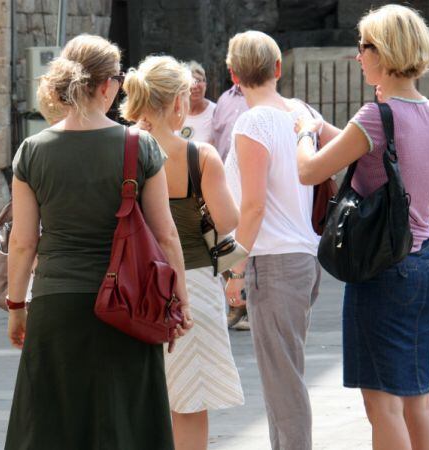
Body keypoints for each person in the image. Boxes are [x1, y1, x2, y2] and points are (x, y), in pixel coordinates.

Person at [4, 34, 192, 450]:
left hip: (57, 301)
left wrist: (17, 307)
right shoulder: (140, 147)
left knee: (55, 427)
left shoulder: (32, 151)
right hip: (127, 302)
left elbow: (22, 242)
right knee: (124, 423)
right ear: (109, 85)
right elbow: (166, 235)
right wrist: (178, 298)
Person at [295, 5, 429, 449]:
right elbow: (382, 152)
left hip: (382, 270)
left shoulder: (375, 116)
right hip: (422, 265)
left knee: (382, 406)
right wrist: (328, 128)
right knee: (418, 401)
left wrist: (306, 132)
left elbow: (309, 172)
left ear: (382, 51)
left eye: (362, 48)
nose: (358, 57)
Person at [121, 54, 244, 450]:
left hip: (132, 284)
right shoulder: (199, 156)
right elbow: (227, 220)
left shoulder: (121, 152)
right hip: (191, 281)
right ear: (178, 101)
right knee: (190, 401)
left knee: (138, 398)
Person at [222, 31, 323, 450]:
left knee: (282, 381)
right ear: (278, 69)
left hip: (274, 259)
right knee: (283, 374)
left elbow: (254, 206)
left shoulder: (253, 121)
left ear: (233, 75)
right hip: (302, 254)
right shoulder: (300, 111)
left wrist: (235, 268)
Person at [213, 80, 250, 331]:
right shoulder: (224, 99)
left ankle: (245, 304)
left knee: (242, 236)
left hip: (246, 176)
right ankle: (238, 303)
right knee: (225, 239)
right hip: (223, 177)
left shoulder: (259, 98)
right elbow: (217, 137)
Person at [178, 61, 216, 145]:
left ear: (205, 84)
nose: (195, 86)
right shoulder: (175, 111)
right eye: (191, 81)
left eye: (198, 80)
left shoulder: (216, 112)